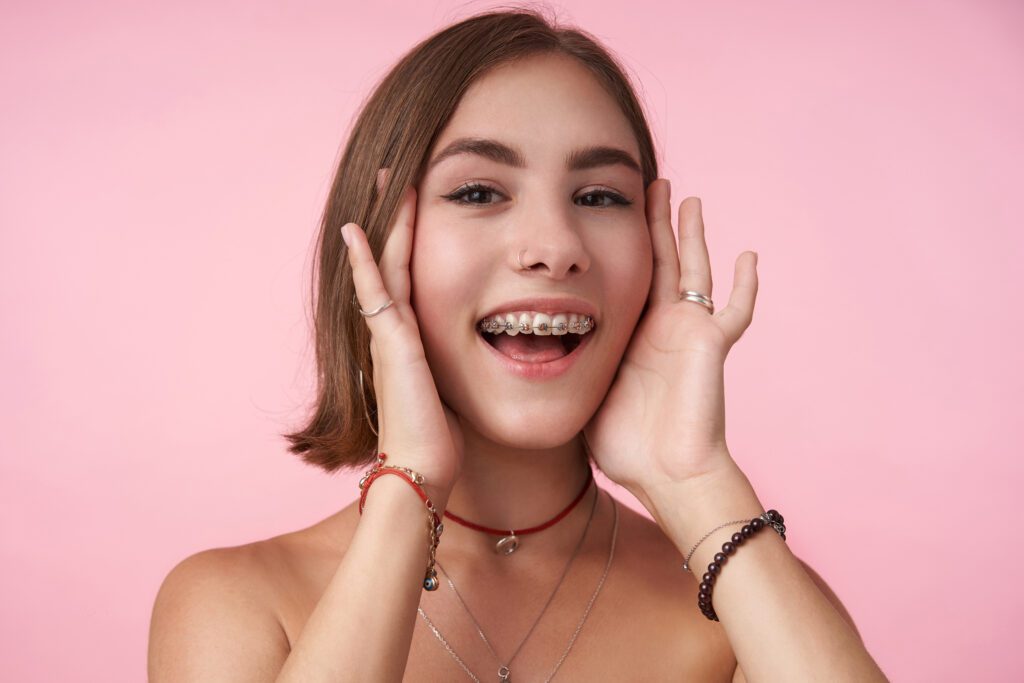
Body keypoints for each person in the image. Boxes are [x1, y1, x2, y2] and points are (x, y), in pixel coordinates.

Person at [148, 8, 887, 681]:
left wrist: (693, 483)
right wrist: (409, 489)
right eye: (478, 192)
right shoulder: (235, 604)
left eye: (600, 197)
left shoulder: (746, 608)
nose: (555, 247)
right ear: (378, 244)